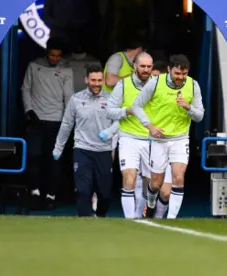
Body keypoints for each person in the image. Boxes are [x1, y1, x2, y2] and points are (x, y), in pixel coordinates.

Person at [132, 54, 205, 219]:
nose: (180, 77)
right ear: (169, 70)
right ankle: (150, 205)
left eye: (184, 74)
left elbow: (200, 116)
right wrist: (149, 126)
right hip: (158, 140)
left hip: (180, 139)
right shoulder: (155, 83)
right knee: (156, 183)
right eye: (177, 74)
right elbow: (137, 106)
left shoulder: (193, 85)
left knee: (179, 177)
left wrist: (189, 108)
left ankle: (172, 219)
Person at [52, 66, 117, 217]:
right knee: (82, 191)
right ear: (86, 80)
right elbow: (67, 124)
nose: (96, 83)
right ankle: (83, 223)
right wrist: (58, 148)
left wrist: (110, 135)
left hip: (104, 151)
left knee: (105, 194)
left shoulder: (111, 99)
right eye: (93, 80)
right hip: (82, 150)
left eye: (100, 80)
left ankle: (99, 216)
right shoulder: (76, 99)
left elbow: (119, 123)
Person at [21, 37, 74, 209]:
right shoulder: (34, 66)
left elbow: (69, 97)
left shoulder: (67, 70)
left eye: (58, 56)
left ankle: (51, 195)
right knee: (33, 156)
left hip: (57, 120)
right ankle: (35, 192)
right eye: (52, 55)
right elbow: (26, 88)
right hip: (36, 119)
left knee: (54, 159)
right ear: (46, 53)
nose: (55, 59)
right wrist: (29, 110)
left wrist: (68, 121)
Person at [104, 52, 154, 219]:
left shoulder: (158, 85)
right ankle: (129, 219)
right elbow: (109, 110)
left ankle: (139, 214)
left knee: (150, 182)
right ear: (135, 66)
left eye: (149, 66)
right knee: (129, 177)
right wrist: (127, 111)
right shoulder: (124, 85)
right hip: (128, 138)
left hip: (152, 139)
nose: (146, 70)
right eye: (142, 66)